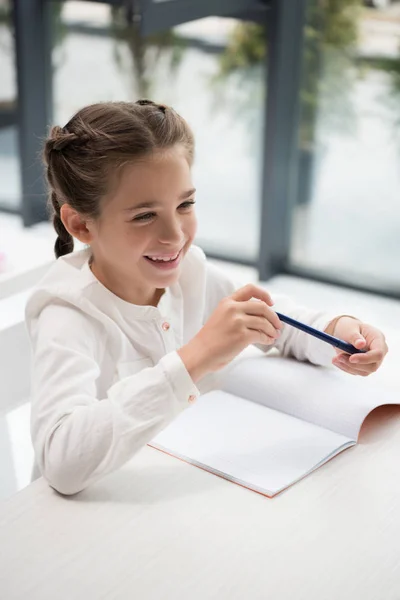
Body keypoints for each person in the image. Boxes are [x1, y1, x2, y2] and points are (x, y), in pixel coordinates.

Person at [25, 100, 388, 496]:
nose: (175, 236)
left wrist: (337, 331)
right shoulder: (68, 313)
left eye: (185, 205)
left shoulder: (191, 272)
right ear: (80, 224)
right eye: (144, 215)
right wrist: (195, 357)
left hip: (190, 488)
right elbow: (60, 463)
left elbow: (279, 324)